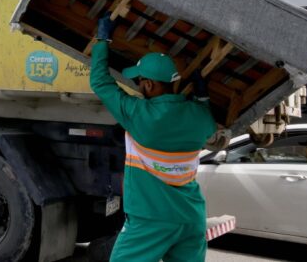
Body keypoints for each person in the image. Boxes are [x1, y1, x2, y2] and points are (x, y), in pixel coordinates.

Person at [90, 15, 217, 262]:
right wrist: (202, 93)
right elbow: (207, 113)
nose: (138, 86)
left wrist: (103, 38)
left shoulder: (140, 115)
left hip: (152, 218)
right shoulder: (201, 118)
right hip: (191, 217)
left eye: (139, 81)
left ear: (149, 85)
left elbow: (100, 81)